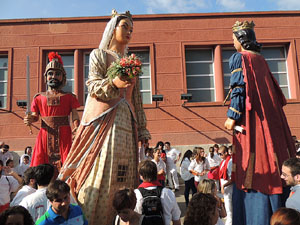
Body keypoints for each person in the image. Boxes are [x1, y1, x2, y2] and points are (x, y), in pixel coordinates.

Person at [58, 10, 151, 225]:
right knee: (102, 170)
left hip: (127, 120)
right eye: (124, 26)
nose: (129, 32)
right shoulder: (99, 54)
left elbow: (136, 98)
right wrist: (114, 83)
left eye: (131, 29)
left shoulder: (132, 63)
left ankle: (122, 218)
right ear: (112, 28)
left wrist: (143, 128)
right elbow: (92, 86)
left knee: (125, 172)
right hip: (105, 121)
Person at [223, 21, 296, 225]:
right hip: (272, 122)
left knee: (253, 162)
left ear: (241, 39)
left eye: (234, 39)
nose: (233, 43)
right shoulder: (261, 60)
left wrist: (232, 115)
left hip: (252, 120)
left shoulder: (239, 58)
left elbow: (239, 88)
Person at [23, 52, 80, 172]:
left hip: (64, 135)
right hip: (45, 134)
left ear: (62, 77)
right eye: (50, 73)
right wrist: (29, 119)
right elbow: (35, 116)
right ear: (46, 76)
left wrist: (77, 128)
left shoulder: (70, 97)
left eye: (57, 74)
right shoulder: (38, 97)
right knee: (41, 168)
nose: (53, 76)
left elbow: (75, 115)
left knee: (67, 167)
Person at [134, 160, 181, 225]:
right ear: (156, 173)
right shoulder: (168, 193)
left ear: (141, 176)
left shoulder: (136, 194)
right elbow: (176, 220)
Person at [218, 146, 233, 225]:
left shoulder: (230, 162)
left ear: (226, 153)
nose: (219, 156)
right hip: (225, 189)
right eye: (218, 154)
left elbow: (232, 178)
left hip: (229, 189)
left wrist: (224, 186)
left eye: (221, 154)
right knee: (228, 209)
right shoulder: (223, 162)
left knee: (229, 210)